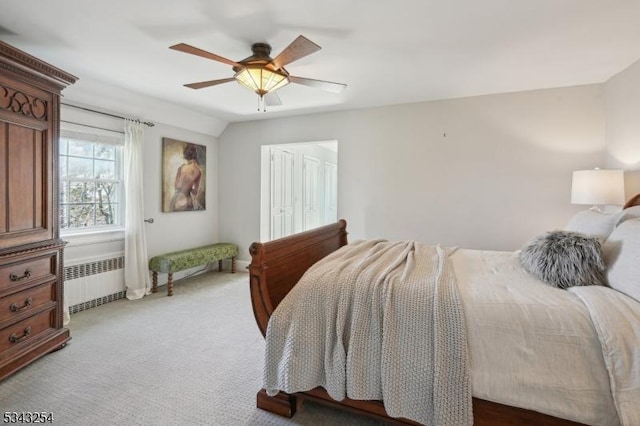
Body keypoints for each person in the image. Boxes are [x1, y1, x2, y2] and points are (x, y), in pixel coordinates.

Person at [169, 144, 202, 211]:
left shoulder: (181, 168)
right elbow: (195, 191)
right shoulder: (198, 171)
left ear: (186, 156)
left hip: (177, 199)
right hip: (187, 199)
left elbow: (176, 185)